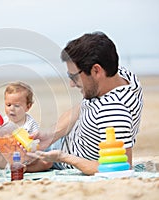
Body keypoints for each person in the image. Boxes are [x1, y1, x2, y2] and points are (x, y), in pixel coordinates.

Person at [28, 32, 143, 175]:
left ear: (96, 70)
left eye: (74, 77)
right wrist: (50, 136)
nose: (71, 84)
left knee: (10, 159)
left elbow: (122, 167)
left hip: (62, 159)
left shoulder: (113, 112)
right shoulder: (120, 75)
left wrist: (63, 158)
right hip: (62, 141)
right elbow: (84, 107)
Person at [0, 81, 53, 172]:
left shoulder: (31, 124)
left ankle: (26, 169)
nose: (11, 108)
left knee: (47, 163)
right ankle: (9, 167)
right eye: (8, 105)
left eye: (17, 106)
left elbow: (36, 144)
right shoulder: (3, 123)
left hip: (27, 158)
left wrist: (31, 147)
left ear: (28, 107)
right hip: (9, 157)